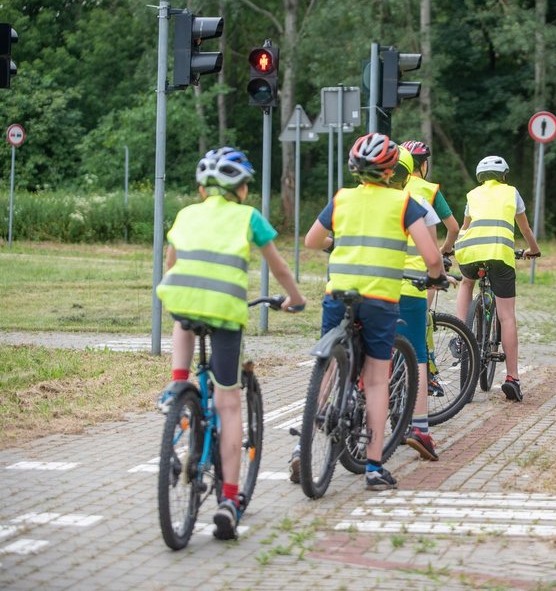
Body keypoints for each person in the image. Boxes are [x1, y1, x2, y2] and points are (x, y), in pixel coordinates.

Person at [156, 147, 307, 541]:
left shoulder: (186, 214)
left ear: (202, 188)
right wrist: (295, 297)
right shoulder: (248, 217)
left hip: (183, 303)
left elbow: (172, 265)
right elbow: (279, 266)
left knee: (182, 312)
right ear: (241, 188)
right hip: (225, 313)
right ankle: (228, 500)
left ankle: (178, 385)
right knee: (228, 401)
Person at [290, 133, 446, 489]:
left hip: (339, 295)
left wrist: (339, 245)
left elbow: (312, 240)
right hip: (380, 299)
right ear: (392, 171)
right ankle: (374, 467)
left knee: (330, 363)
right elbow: (432, 256)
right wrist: (435, 277)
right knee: (376, 380)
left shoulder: (341, 199)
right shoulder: (404, 203)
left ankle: (309, 430)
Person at [454, 155, 540, 402]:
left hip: (470, 253)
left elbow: (464, 227)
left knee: (466, 283)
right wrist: (533, 250)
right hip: (500, 256)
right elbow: (524, 229)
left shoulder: (473, 195)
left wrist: (456, 247)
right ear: (504, 176)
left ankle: (460, 336)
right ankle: (512, 378)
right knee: (507, 315)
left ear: (481, 178)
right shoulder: (511, 193)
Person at [390, 147, 444, 461]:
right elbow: (432, 254)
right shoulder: (417, 202)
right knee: (418, 355)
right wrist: (437, 276)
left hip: (369, 288)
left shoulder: (353, 198)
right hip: (411, 287)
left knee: (375, 357)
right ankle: (419, 427)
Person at [399, 140, 461, 401]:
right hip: (420, 266)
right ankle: (429, 375)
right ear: (423, 165)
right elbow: (454, 228)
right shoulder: (429, 190)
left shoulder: (391, 187)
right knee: (421, 321)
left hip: (388, 264)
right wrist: (445, 252)